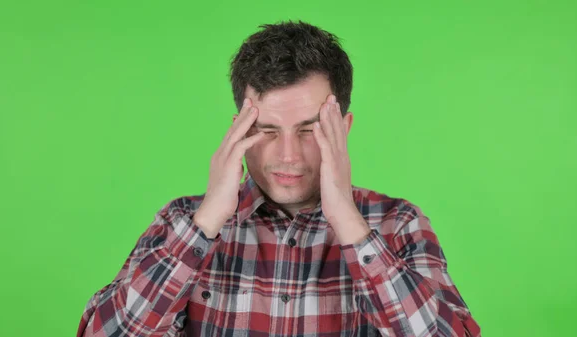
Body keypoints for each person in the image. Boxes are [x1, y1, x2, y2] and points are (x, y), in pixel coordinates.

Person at [77, 20, 481, 337]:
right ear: (239, 130)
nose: (288, 155)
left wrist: (352, 227)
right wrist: (203, 227)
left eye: (308, 130)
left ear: (344, 127)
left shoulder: (399, 224)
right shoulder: (181, 222)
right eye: (268, 130)